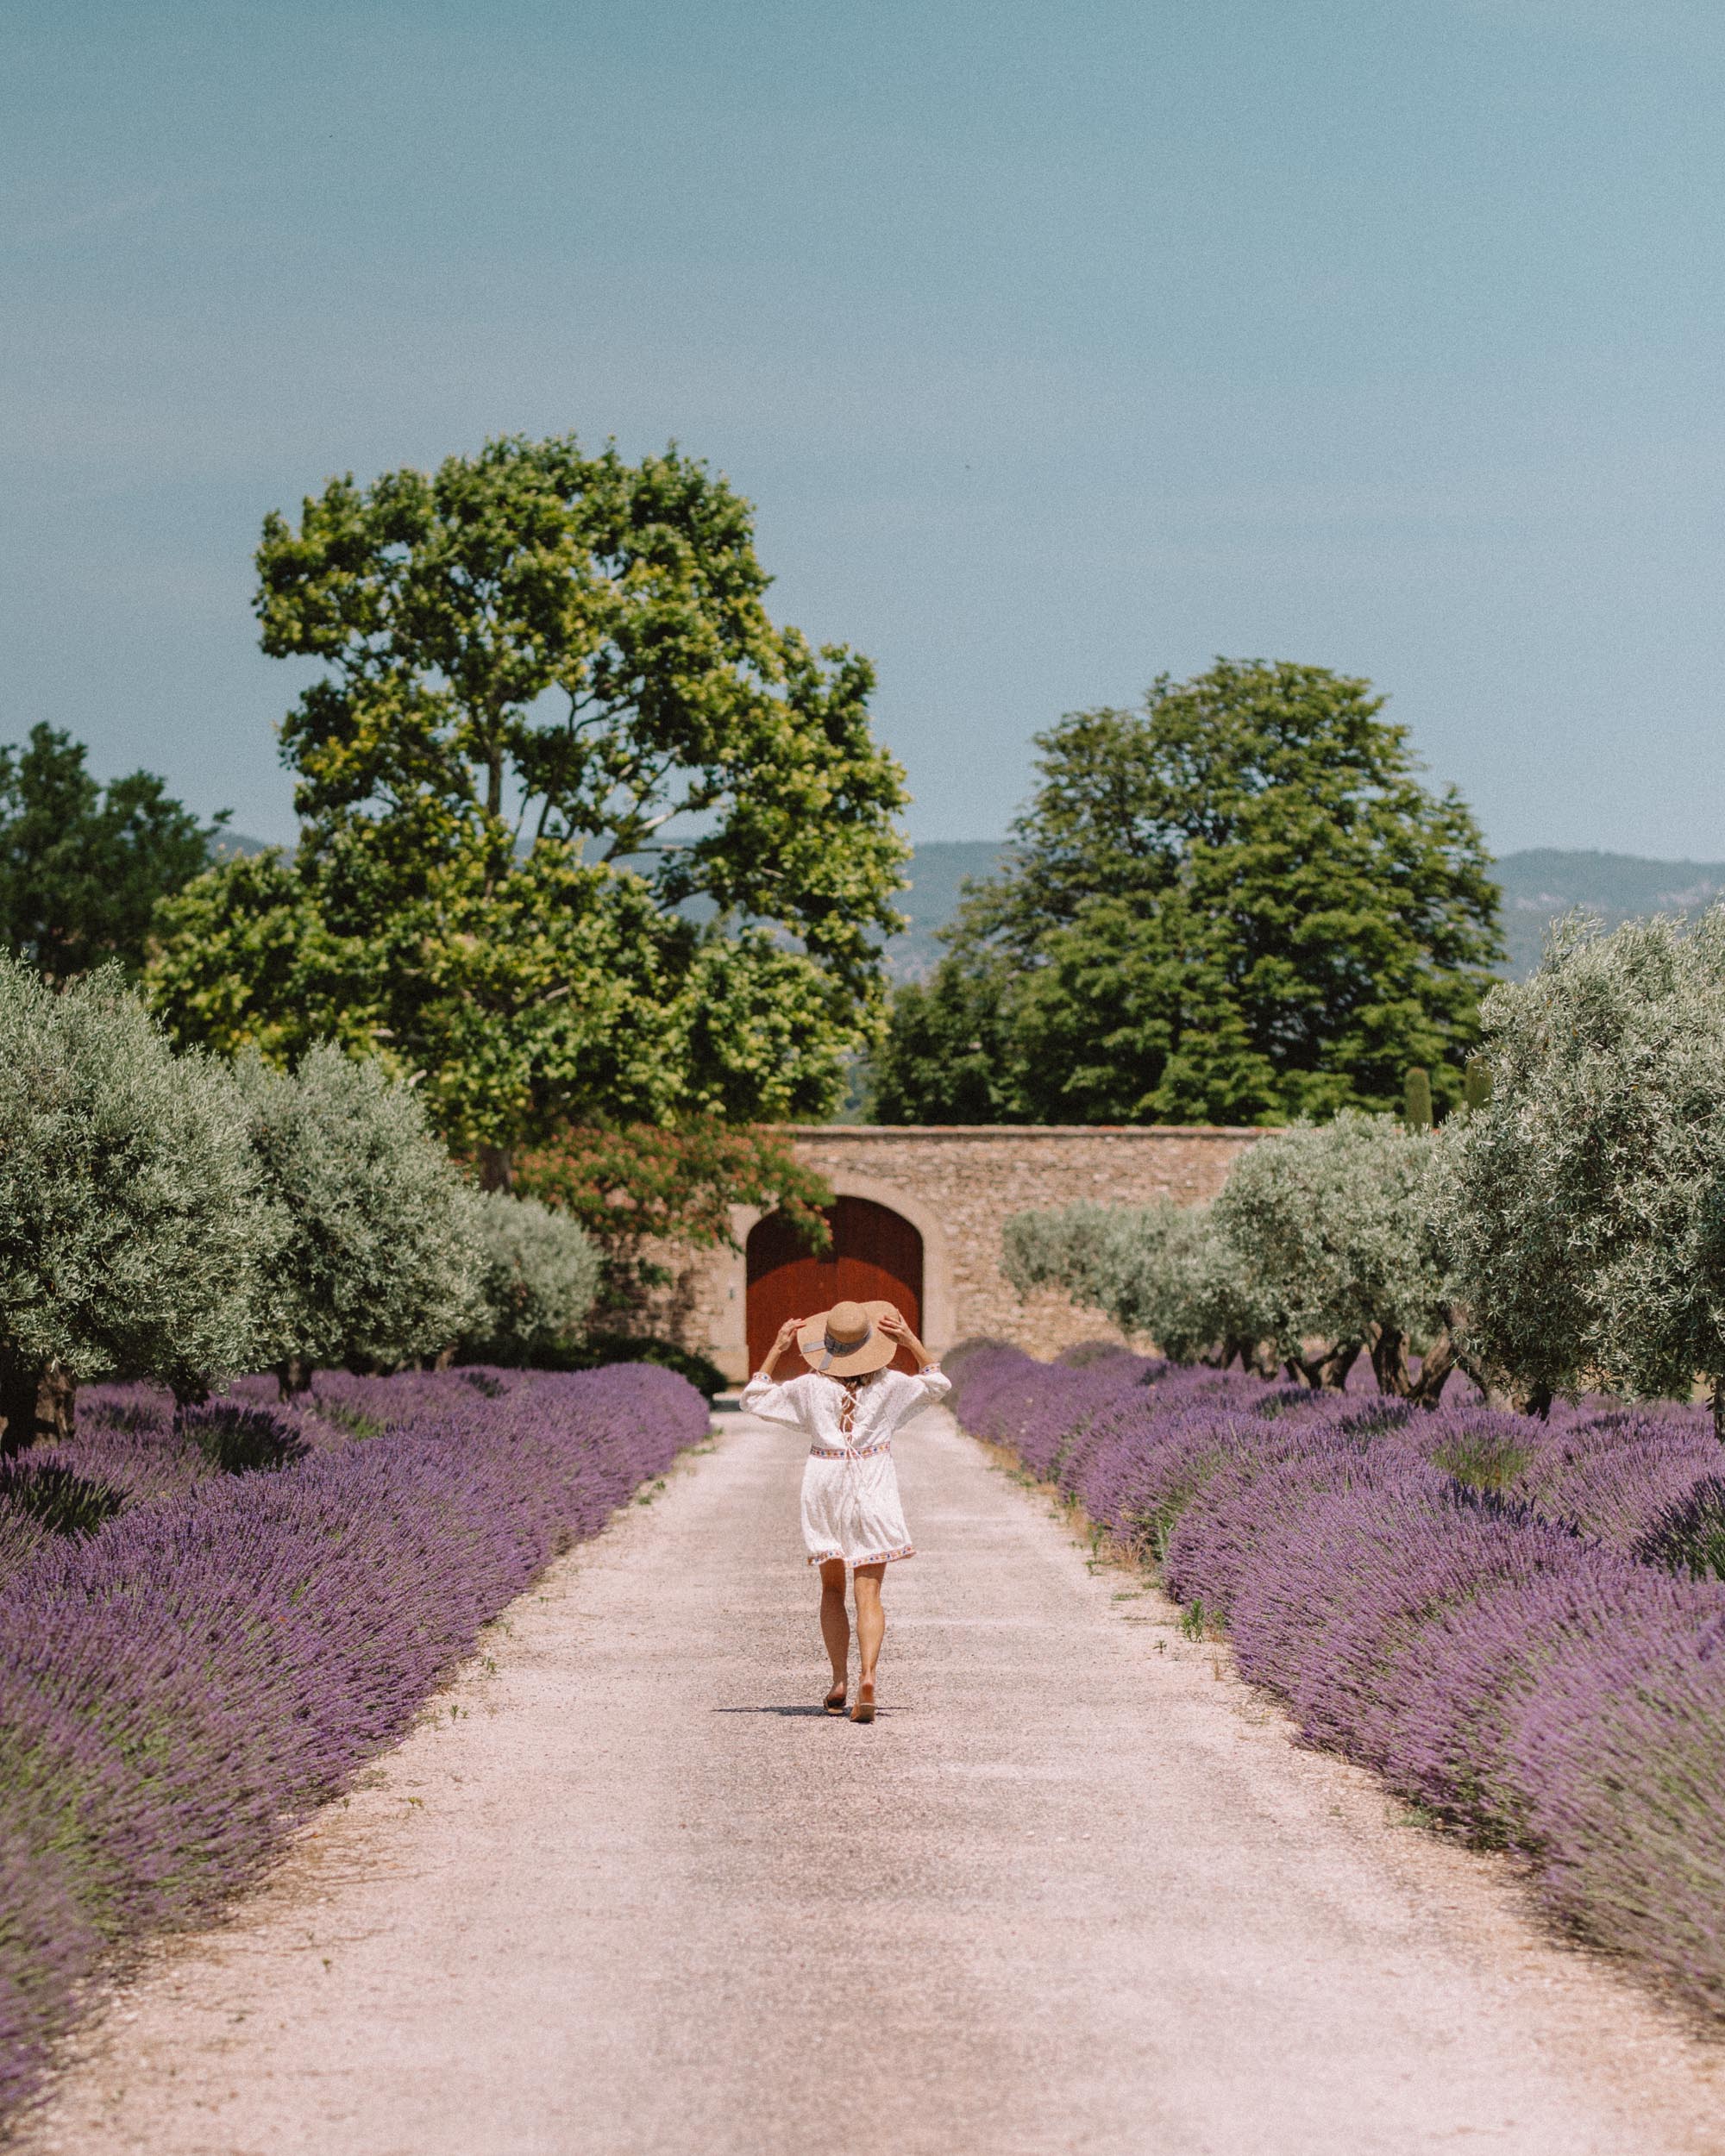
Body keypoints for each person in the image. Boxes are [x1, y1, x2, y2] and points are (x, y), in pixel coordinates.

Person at [742, 1299, 951, 1723]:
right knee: (869, 1592)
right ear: (872, 1343)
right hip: (872, 1478)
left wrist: (777, 1349)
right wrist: (911, 1341)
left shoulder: (807, 1388)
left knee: (832, 1589)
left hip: (825, 1479)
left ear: (827, 1345)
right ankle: (867, 1677)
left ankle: (838, 1678)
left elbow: (755, 1398)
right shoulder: (892, 1385)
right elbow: (936, 1384)